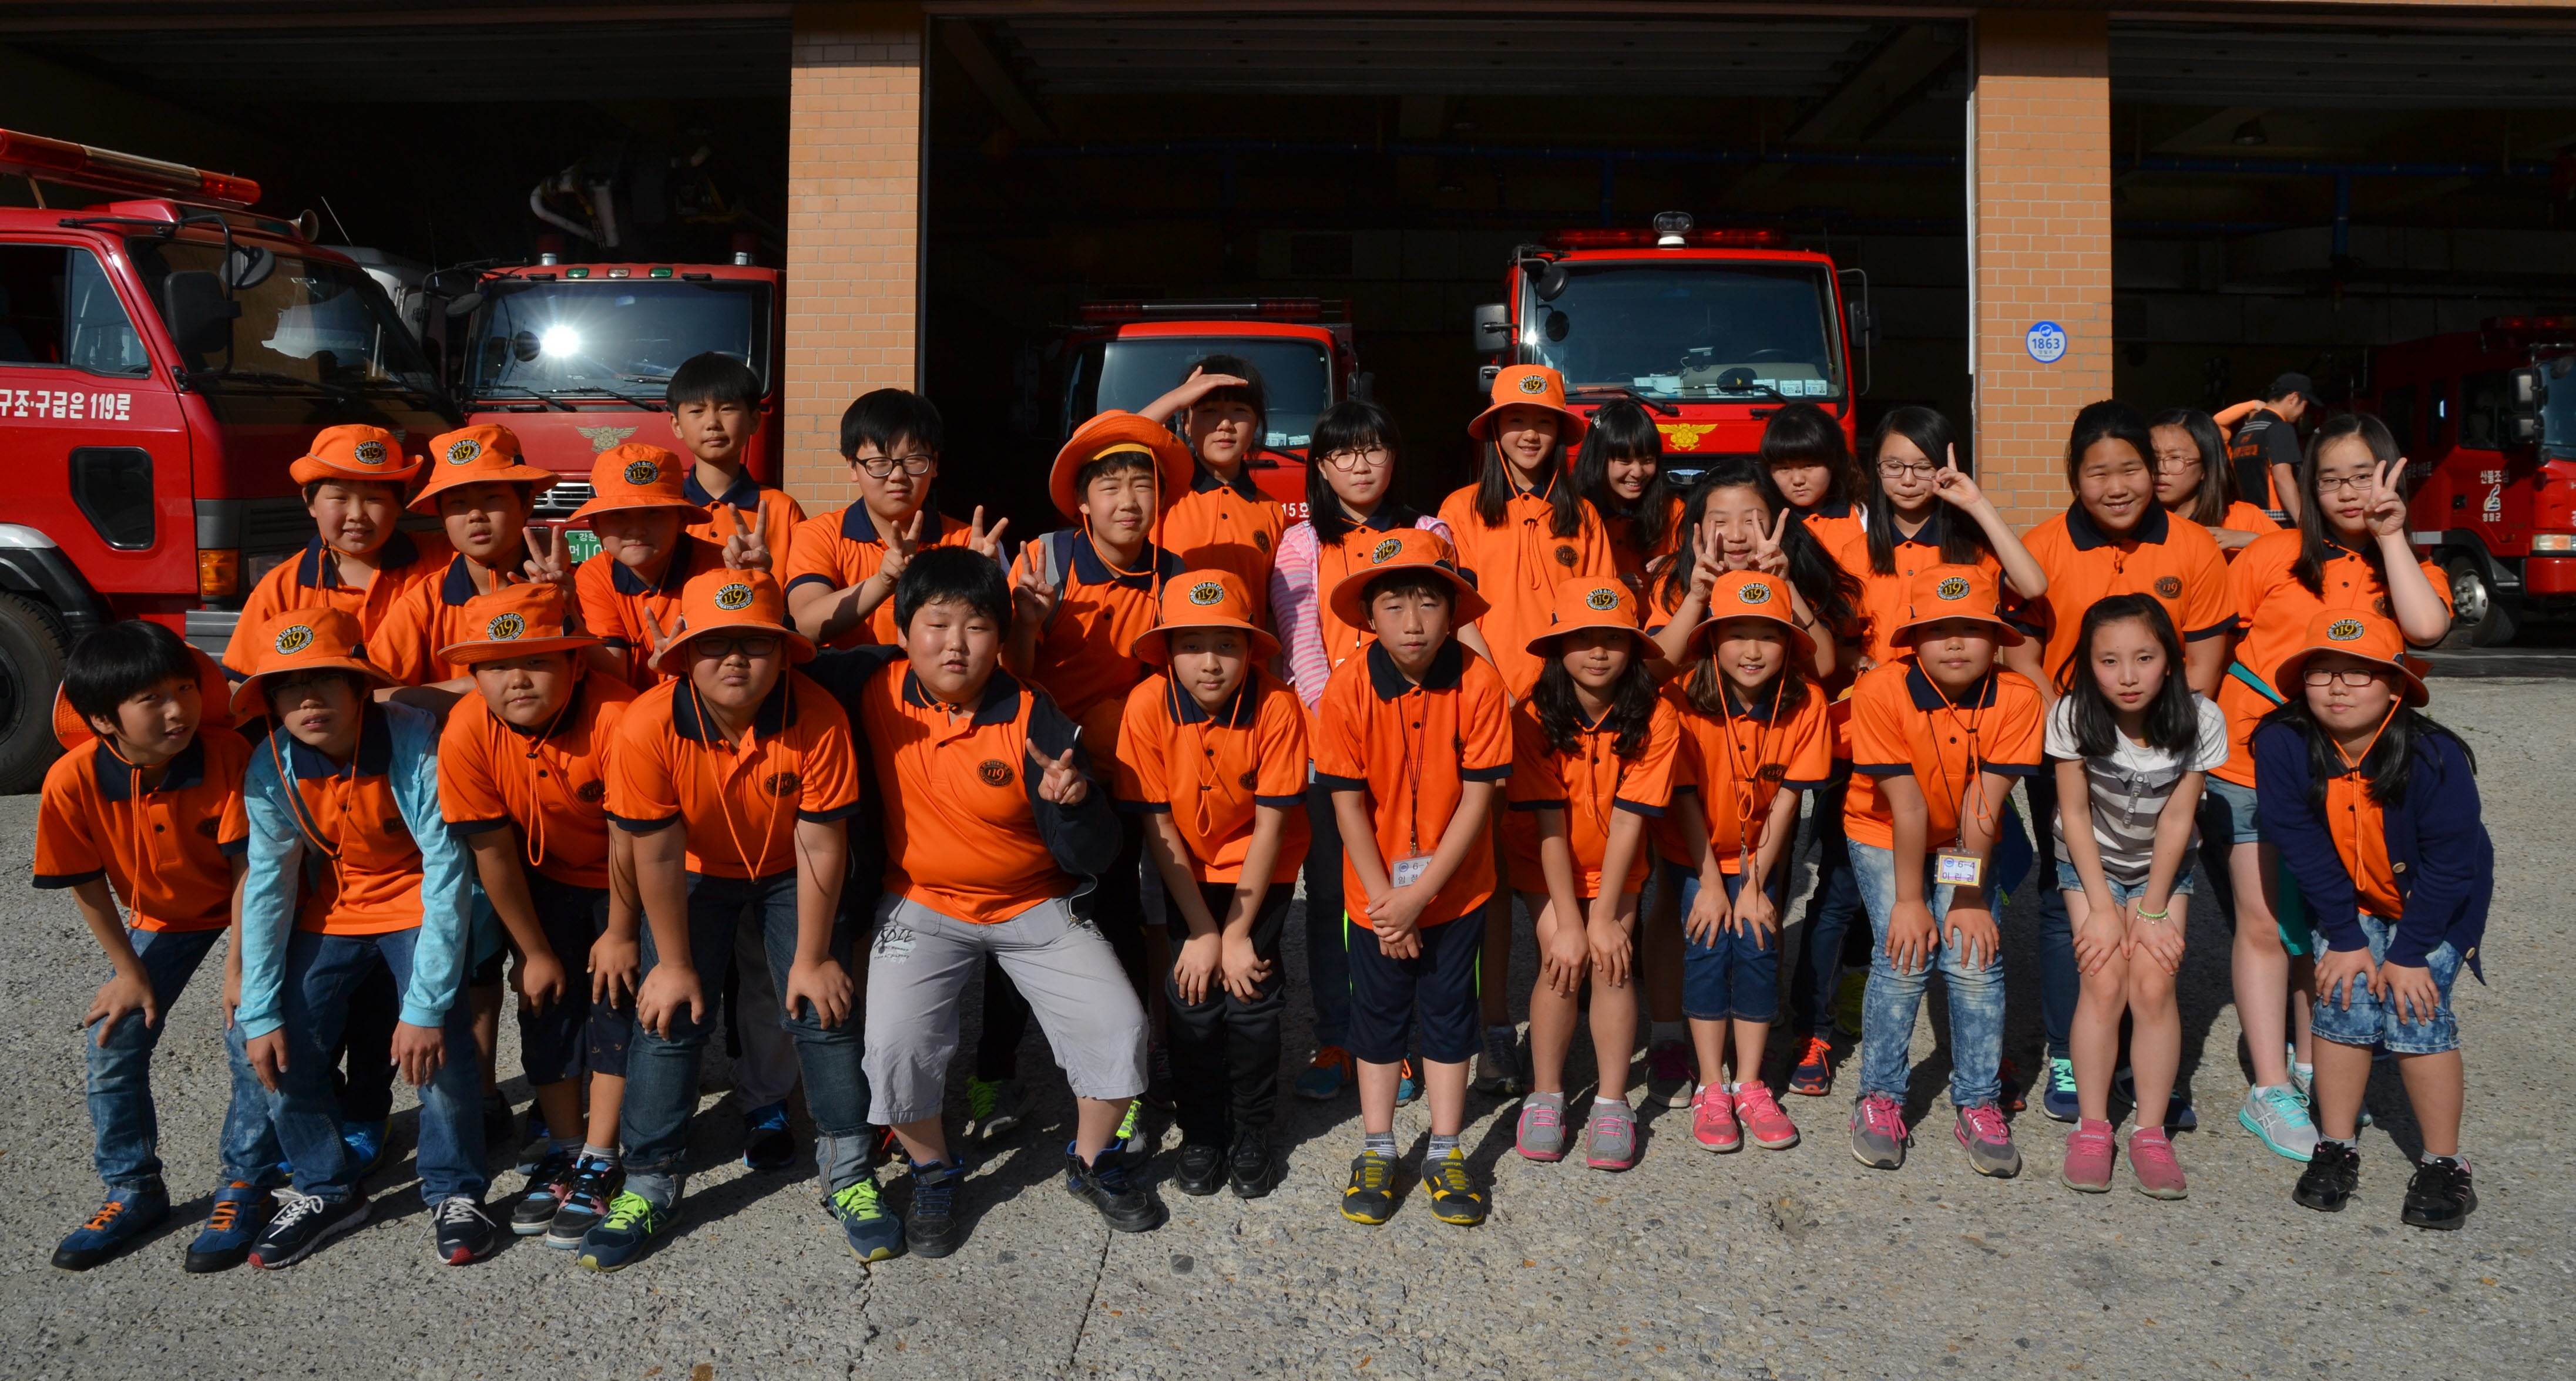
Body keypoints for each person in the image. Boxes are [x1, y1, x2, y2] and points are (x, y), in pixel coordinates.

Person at [815, 545, 1162, 1254]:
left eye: (975, 626)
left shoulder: (1035, 713)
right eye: (936, 624)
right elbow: (773, 667)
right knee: (895, 1044)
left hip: (1033, 903)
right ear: (903, 631)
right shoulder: (870, 684)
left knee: (1119, 1024)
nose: (955, 644)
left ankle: (1091, 1160)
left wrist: (1074, 803)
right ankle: (933, 1167)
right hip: (920, 902)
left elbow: (1095, 854)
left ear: (1000, 637)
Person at [581, 569, 874, 1272]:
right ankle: (649, 1178)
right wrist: (674, 963)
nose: (735, 658)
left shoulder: (818, 714)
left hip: (789, 867)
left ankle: (849, 1170)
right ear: (684, 655)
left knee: (822, 1005)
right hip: (691, 868)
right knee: (667, 1013)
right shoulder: (646, 723)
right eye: (715, 643)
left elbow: (822, 843)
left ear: (783, 653)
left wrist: (812, 956)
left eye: (755, 642)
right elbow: (652, 850)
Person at [2214, 412, 2451, 1162]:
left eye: (2362, 476)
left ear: (2392, 476)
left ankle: (2320, 1056)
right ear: (2307, 487)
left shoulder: (2411, 566)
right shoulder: (2271, 555)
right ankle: (2268, 1084)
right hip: (2250, 762)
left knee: (2327, 918)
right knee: (2262, 922)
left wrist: (2390, 536)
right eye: (2330, 479)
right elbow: (2213, 641)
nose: (2347, 492)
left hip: (2353, 775)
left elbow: (2426, 628)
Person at [231, 607, 495, 1268]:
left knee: (440, 1039)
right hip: (335, 910)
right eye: (289, 687)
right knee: (277, 1038)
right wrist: (258, 1007)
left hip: (419, 898)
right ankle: (327, 1186)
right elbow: (268, 887)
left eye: (325, 679)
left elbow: (447, 868)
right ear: (271, 702)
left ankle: (455, 1187)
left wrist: (424, 1006)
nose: (308, 700)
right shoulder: (271, 764)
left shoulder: (414, 739)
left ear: (360, 686)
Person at [39, 622, 281, 1274]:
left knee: (248, 1027)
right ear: (102, 719)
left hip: (250, 906)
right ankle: (133, 1188)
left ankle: (246, 1181)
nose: (179, 710)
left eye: (185, 688)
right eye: (152, 699)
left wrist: (241, 968)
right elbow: (84, 880)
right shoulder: (70, 779)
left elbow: (251, 873)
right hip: (165, 917)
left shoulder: (228, 754)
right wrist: (127, 970)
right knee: (113, 1037)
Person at [2019, 400, 2236, 1123]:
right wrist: (2071, 720)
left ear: (2155, 469)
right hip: (2070, 744)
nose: (2115, 486)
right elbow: (2020, 647)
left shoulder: (2193, 546)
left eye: (2130, 469)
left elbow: (2203, 655)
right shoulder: (2044, 544)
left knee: (2153, 916)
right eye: (2097, 472)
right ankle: (2068, 1049)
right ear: (2072, 476)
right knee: (2069, 901)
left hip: (2162, 743)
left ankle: (2145, 1066)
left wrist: (2159, 730)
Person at [989, 410, 1193, 1145]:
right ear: (1082, 502)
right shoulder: (1044, 558)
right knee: (1019, 913)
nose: (1128, 500)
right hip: (1042, 769)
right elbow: (1007, 676)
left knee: (1121, 913)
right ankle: (993, 1067)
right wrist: (1025, 622)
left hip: (1126, 772)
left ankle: (1131, 1067)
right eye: (1110, 486)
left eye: (1142, 484)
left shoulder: (1175, 575)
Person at [2256, 611, 2487, 1231]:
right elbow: (2299, 842)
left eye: (2358, 673)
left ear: (2394, 687)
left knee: (2416, 1010)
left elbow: (2452, 865)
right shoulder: (2281, 740)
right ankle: (2336, 1145)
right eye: (2321, 672)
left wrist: (2408, 952)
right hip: (2347, 898)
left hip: (2433, 900)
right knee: (2343, 998)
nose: (2337, 686)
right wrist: (2345, 934)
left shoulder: (2433, 753)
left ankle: (2444, 1162)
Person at [1635, 458, 1850, 1107]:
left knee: (1762, 897)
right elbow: (1655, 669)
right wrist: (1698, 595)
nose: (1735, 533)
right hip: (1691, 767)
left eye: (1751, 517)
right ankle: (1669, 1030)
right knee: (1675, 906)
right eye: (1718, 518)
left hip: (1768, 771)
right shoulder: (1675, 580)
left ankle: (1752, 1013)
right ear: (1696, 526)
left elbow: (1825, 663)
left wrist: (1787, 584)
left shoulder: (1789, 572)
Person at [432, 583, 644, 1244]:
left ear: (576, 664)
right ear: (474, 675)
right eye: (495, 665)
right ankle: (564, 1142)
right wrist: (534, 950)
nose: (516, 679)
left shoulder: (619, 716)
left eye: (536, 660)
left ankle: (601, 1156)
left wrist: (620, 930)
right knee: (545, 999)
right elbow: (492, 849)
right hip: (545, 875)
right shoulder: (467, 727)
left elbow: (633, 838)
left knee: (614, 998)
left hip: (632, 876)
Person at [1314, 527, 1513, 1226]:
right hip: (1374, 895)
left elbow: (1479, 799)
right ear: (1368, 617)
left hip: (1455, 891)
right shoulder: (1346, 686)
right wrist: (1385, 903)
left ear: (1452, 612)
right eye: (1393, 604)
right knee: (1377, 1018)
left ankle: (1446, 1147)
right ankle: (1376, 1144)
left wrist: (1419, 896)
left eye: (1428, 602)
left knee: (1450, 1015)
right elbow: (1345, 804)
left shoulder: (1479, 681)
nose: (1412, 621)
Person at [1269, 399, 1456, 1103]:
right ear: (1320, 466)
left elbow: (1440, 634)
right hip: (1330, 750)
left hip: (1416, 744)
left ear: (1392, 457)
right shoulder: (1298, 543)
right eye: (1343, 452)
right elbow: (1301, 648)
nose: (1359, 464)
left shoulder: (1428, 533)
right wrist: (1347, 732)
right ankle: (1337, 1035)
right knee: (1330, 898)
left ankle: (1395, 1038)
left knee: (1407, 886)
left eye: (1373, 448)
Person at [1440, 365, 1616, 1096]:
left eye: (1542, 422)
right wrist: (1496, 693)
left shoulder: (1584, 515)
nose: (1528, 434)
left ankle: (1567, 1026)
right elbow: (1454, 611)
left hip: (1565, 719)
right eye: (1515, 421)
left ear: (1561, 433)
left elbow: (1600, 613)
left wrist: (1560, 697)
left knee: (1560, 869)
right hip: (1485, 714)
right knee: (1485, 882)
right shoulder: (1458, 509)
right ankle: (1492, 1029)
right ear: (1493, 432)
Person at [1842, 565, 2044, 1178]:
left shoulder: (2018, 697)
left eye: (1971, 628)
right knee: (1901, 954)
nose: (1954, 642)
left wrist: (1966, 897)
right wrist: (1911, 900)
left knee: (1973, 958)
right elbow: (1905, 806)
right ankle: (1879, 1095)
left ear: (1998, 638)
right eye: (1937, 629)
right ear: (1912, 640)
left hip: (1963, 832)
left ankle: (1978, 1099)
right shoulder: (1880, 689)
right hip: (1883, 828)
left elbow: (1982, 804)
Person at [1116, 571, 1308, 1198]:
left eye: (1226, 644)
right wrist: (1203, 932)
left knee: (1251, 993)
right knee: (1190, 992)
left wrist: (1236, 933)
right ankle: (1201, 1130)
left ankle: (1251, 1128)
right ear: (1167, 652)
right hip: (1185, 868)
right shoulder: (1146, 704)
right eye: (1191, 644)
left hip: (1262, 867)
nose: (1209, 662)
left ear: (1250, 648)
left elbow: (1273, 825)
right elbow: (1157, 825)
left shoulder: (1276, 704)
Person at [2047, 596, 2226, 1199]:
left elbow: (2178, 818)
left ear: (2169, 659)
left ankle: (2150, 1131)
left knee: (2153, 983)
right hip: (2089, 863)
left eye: (2143, 657)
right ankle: (2092, 1126)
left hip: (2161, 867)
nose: (2127, 675)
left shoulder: (2201, 717)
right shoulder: (2071, 713)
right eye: (2108, 660)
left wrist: (2150, 908)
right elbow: (2073, 814)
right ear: (2087, 664)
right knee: (2102, 980)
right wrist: (2102, 908)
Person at [1504, 577, 1680, 1171]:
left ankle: (1611, 1100)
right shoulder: (1531, 715)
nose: (1599, 652)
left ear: (1634, 648)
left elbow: (1630, 820)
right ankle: (1546, 1093)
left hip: (1617, 866)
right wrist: (1570, 923)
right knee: (1562, 958)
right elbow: (1548, 824)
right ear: (1558, 647)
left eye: (1614, 638)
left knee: (1611, 961)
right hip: (1545, 861)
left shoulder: (1658, 716)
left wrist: (1602, 917)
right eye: (1583, 638)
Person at [1659, 572, 1833, 1155]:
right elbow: (1684, 796)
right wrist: (1712, 882)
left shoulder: (1806, 702)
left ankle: (1750, 1082)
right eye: (1736, 634)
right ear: (1711, 639)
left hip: (1760, 853)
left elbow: (1789, 798)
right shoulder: (1682, 696)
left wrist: (1755, 880)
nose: (1752, 651)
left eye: (1769, 635)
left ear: (1789, 642)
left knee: (1757, 941)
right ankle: (1711, 1082)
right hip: (1696, 851)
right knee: (1708, 942)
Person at [227, 424, 452, 675]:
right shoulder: (281, 588)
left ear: (400, 502)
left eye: (374, 499)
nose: (357, 515)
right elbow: (241, 680)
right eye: (340, 498)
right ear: (310, 501)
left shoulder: (443, 559)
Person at [782, 387, 991, 649]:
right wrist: (883, 582)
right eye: (880, 463)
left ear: (935, 464)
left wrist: (987, 583)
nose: (898, 476)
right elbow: (804, 626)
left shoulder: (966, 543)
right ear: (852, 467)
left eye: (914, 460)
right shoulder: (820, 534)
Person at [372, 424, 567, 688]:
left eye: (492, 497)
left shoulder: (567, 588)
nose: (475, 514)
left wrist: (562, 606)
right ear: (442, 517)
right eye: (458, 503)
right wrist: (476, 687)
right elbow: (373, 695)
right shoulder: (423, 604)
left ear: (527, 504)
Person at [1134, 357, 1288, 626]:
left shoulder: (1271, 511)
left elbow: (1273, 610)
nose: (1225, 424)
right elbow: (1112, 443)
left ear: (1256, 424)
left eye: (1240, 410)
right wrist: (1176, 399)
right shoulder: (1160, 491)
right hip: (1165, 649)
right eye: (1209, 410)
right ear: (1185, 422)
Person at [570, 442, 726, 687]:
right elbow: (613, 678)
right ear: (595, 525)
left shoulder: (719, 569)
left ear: (682, 519)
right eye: (618, 514)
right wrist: (565, 608)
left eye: (653, 512)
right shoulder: (594, 574)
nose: (636, 530)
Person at [669, 351, 805, 567]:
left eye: (727, 409)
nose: (712, 423)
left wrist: (760, 575)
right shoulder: (667, 508)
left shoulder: (782, 509)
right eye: (697, 411)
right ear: (677, 425)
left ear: (754, 420)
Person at [1574, 399, 1681, 594]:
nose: (1638, 473)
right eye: (1625, 461)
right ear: (1598, 459)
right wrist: (1608, 585)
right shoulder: (1572, 514)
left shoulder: (1674, 512)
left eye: (1647, 460)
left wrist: (1682, 565)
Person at [2151, 407, 2277, 555]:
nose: (2160, 469)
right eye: (2152, 456)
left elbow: (2294, 556)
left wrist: (2255, 542)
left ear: (2206, 466)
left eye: (2175, 458)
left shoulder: (2244, 519)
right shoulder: (2133, 525)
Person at [1759, 401, 1869, 559]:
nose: (1798, 480)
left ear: (1833, 462)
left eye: (1809, 466)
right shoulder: (1764, 521)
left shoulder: (1863, 518)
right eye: (1784, 468)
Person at [2225, 373, 2319, 524]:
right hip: (2277, 523)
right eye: (2305, 405)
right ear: (2294, 398)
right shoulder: (2280, 428)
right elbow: (2282, 477)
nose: (2303, 413)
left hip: (2248, 523)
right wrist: (2304, 523)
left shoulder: (2244, 432)